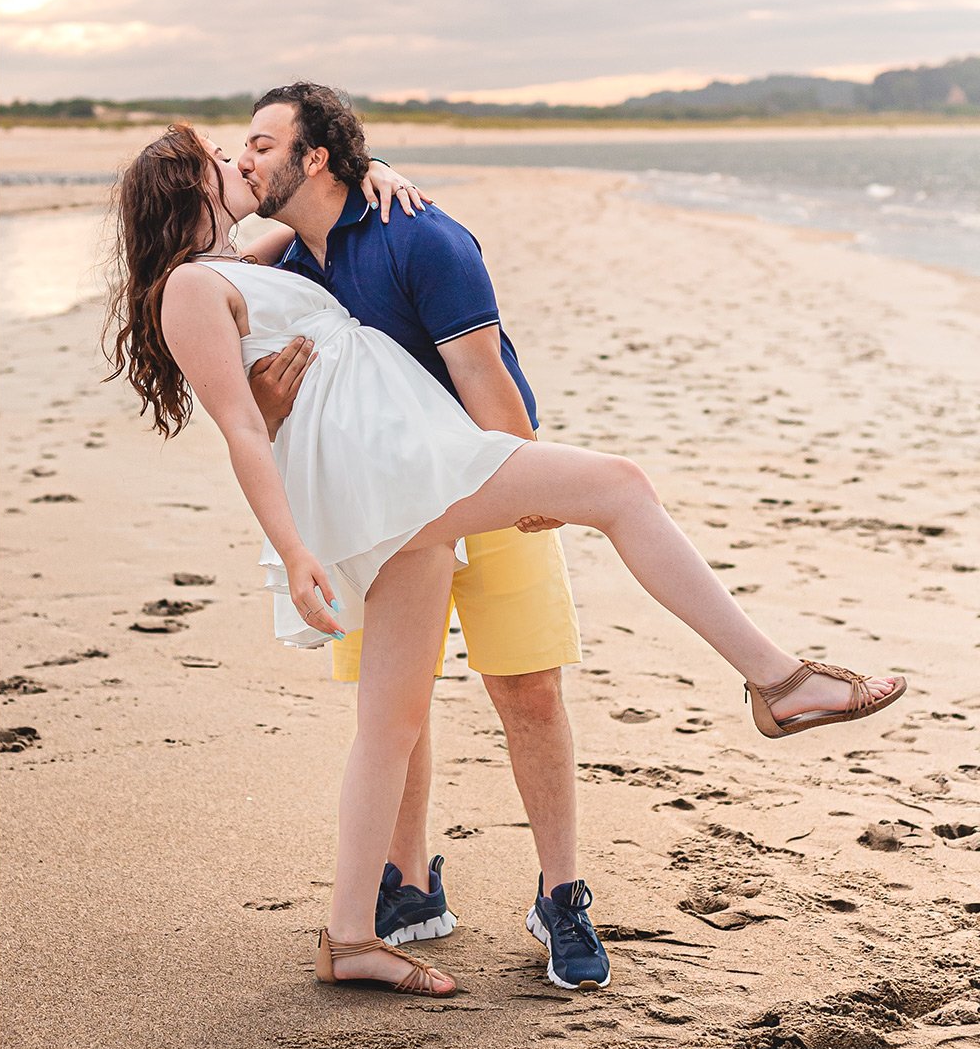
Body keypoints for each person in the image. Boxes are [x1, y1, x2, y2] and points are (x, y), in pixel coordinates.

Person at [104, 119, 906, 996]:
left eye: (255, 148)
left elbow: (322, 209)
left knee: (391, 721)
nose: (243, 161)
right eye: (227, 158)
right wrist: (294, 551)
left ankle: (351, 938)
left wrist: (383, 171)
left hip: (398, 480)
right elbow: (242, 435)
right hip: (390, 472)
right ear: (189, 189)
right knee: (620, 486)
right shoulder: (191, 286)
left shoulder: (257, 255)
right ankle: (779, 682)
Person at [238, 81, 605, 988]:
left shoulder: (424, 236)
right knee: (389, 712)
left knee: (527, 693)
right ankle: (405, 886)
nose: (245, 158)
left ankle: (561, 894)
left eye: (260, 143)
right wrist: (267, 404)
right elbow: (272, 411)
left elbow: (490, 389)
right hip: (382, 514)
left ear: (313, 156)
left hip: (489, 485)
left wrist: (529, 488)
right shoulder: (286, 277)